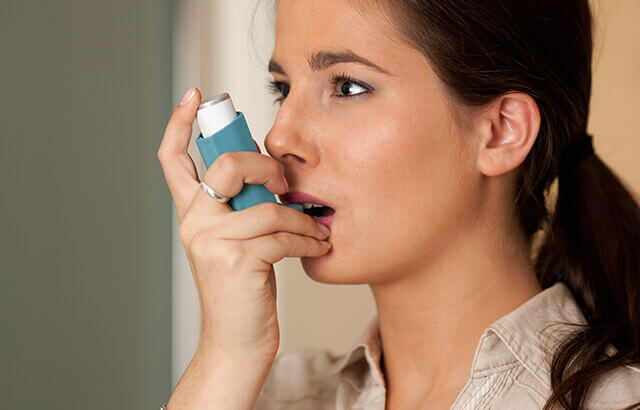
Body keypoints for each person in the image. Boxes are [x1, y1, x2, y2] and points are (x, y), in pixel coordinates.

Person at [157, 0, 640, 409]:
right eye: (282, 89)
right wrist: (226, 353)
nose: (279, 137)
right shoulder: (262, 395)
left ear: (500, 132)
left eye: (348, 87)